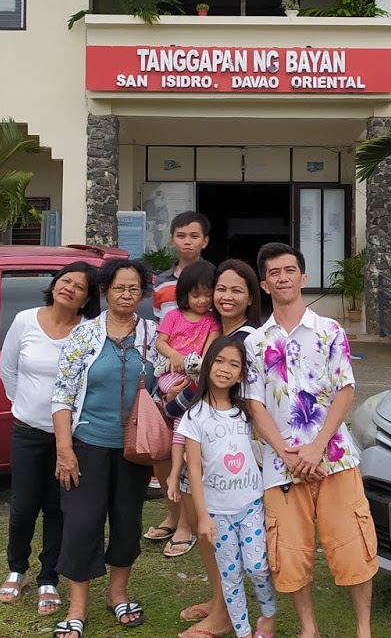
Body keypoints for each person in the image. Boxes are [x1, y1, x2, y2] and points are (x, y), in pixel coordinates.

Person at [243, 242, 375, 638]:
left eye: (289, 270)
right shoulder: (255, 342)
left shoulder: (330, 331)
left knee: (353, 543)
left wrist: (316, 446)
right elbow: (254, 402)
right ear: (265, 285)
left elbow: (345, 391)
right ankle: (308, 628)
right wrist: (286, 451)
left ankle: (364, 629)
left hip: (334, 457)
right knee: (290, 551)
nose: (282, 278)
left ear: (302, 277)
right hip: (282, 465)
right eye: (273, 273)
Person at [50, 258, 161, 638]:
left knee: (128, 523)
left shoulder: (153, 335)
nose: (126, 295)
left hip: (135, 449)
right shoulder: (84, 336)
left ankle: (118, 594)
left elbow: (166, 386)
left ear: (142, 293)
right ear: (104, 291)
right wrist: (65, 449)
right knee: (81, 524)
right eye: (119, 288)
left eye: (134, 289)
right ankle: (77, 606)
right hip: (87, 446)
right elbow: (62, 395)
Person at [0, 261, 100, 615]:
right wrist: (24, 406)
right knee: (23, 505)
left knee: (58, 507)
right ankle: (17, 568)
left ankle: (48, 578)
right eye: (65, 280)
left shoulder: (89, 332)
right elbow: (7, 369)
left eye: (79, 286)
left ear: (87, 299)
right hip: (26, 431)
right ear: (55, 285)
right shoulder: (26, 320)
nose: (69, 288)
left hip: (69, 438)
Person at [169, 259, 264, 638]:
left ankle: (225, 613)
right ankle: (219, 598)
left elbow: (209, 390)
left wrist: (173, 405)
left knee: (217, 535)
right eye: (220, 289)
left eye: (236, 290)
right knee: (205, 531)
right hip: (204, 449)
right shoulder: (211, 330)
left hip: (229, 457)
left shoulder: (246, 338)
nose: (225, 296)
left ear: (250, 297)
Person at [174, 336, 276, 638]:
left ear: (242, 373)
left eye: (234, 364)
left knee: (257, 567)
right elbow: (194, 469)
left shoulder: (246, 411)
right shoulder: (194, 416)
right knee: (230, 576)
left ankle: (268, 615)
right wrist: (203, 516)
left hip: (251, 505)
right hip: (218, 513)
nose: (225, 369)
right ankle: (243, 632)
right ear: (207, 365)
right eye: (219, 361)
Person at [143, 210, 212, 542]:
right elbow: (161, 331)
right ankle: (173, 518)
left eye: (194, 236)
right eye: (181, 236)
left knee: (185, 447)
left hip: (197, 378)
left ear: (205, 241)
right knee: (160, 447)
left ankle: (188, 524)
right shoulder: (159, 283)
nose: (188, 242)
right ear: (172, 239)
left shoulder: (215, 279)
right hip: (163, 374)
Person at [150, 259, 221, 558]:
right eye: (196, 295)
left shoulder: (212, 323)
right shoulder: (174, 316)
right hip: (168, 374)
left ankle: (175, 473)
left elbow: (209, 353)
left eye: (208, 294)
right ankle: (172, 477)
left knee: (182, 423)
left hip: (191, 377)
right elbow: (161, 342)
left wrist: (194, 367)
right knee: (175, 414)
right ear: (184, 295)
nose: (203, 301)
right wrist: (177, 356)